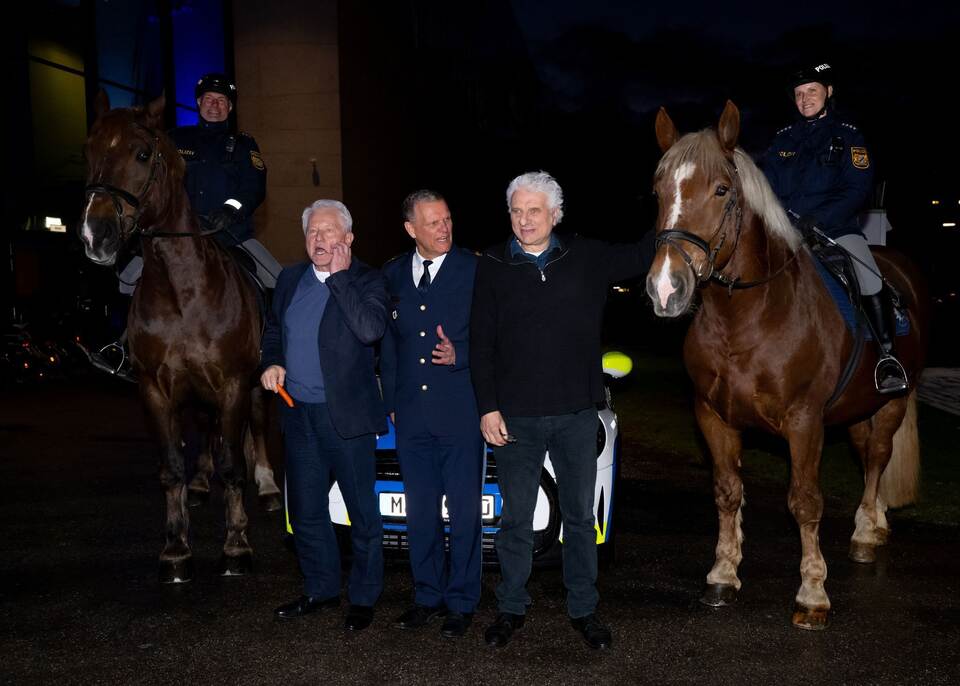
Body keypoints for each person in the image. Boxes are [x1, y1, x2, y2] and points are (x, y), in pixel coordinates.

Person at [470, 171, 655, 650]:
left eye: (534, 211)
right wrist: (488, 408)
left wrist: (677, 208)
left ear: (556, 214)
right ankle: (511, 608)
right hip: (515, 419)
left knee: (579, 519)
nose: (524, 220)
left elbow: (642, 254)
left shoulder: (587, 256)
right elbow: (480, 344)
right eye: (516, 211)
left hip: (575, 415)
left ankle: (585, 610)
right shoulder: (492, 263)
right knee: (515, 521)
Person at [86, 73, 279, 380]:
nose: (214, 105)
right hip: (178, 237)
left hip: (230, 235)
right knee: (128, 279)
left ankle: (270, 352)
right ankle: (124, 347)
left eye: (221, 101)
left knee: (277, 281)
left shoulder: (243, 144)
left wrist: (229, 211)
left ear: (229, 108)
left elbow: (254, 186)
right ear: (199, 103)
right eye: (208, 99)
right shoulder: (175, 140)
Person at [260, 199, 388, 632]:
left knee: (362, 514)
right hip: (298, 416)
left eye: (328, 231)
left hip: (346, 419)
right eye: (312, 232)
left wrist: (339, 278)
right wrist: (272, 362)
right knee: (307, 512)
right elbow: (273, 331)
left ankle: (364, 598)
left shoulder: (368, 280)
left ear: (348, 238)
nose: (319, 239)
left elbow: (369, 330)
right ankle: (321, 588)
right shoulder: (289, 278)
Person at [761, 62, 908, 394]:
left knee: (868, 277)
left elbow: (858, 188)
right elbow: (765, 185)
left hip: (835, 230)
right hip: (786, 232)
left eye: (812, 91)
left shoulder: (848, 135)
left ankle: (887, 358)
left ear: (828, 92)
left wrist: (819, 219)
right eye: (799, 94)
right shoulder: (782, 139)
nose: (805, 99)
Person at [380, 190, 483, 639]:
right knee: (420, 513)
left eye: (447, 219)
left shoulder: (475, 270)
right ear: (411, 229)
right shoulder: (391, 274)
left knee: (463, 513)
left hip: (461, 412)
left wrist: (461, 354)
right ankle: (427, 596)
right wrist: (390, 402)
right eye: (433, 222)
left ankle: (461, 601)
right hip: (411, 416)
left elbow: (497, 336)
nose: (444, 229)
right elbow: (388, 344)